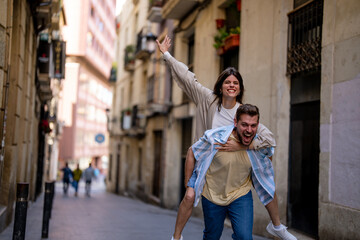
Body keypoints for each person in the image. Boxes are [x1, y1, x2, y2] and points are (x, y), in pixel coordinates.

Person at [156, 36, 294, 240]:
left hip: (238, 179)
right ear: (220, 86)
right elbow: (187, 78)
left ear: (240, 88)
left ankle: (277, 226)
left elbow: (266, 138)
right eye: (227, 82)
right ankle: (176, 237)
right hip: (209, 173)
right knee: (198, 211)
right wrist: (166, 55)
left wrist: (243, 146)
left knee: (265, 187)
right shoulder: (208, 100)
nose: (231, 85)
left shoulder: (243, 114)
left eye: (235, 82)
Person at [190, 104, 296, 239]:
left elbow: (269, 149)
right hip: (212, 195)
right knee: (212, 236)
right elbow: (193, 152)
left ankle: (277, 227)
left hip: (240, 195)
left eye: (253, 125)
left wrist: (245, 147)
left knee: (245, 237)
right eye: (244, 125)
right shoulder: (218, 138)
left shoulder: (258, 143)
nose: (249, 130)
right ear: (235, 122)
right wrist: (189, 185)